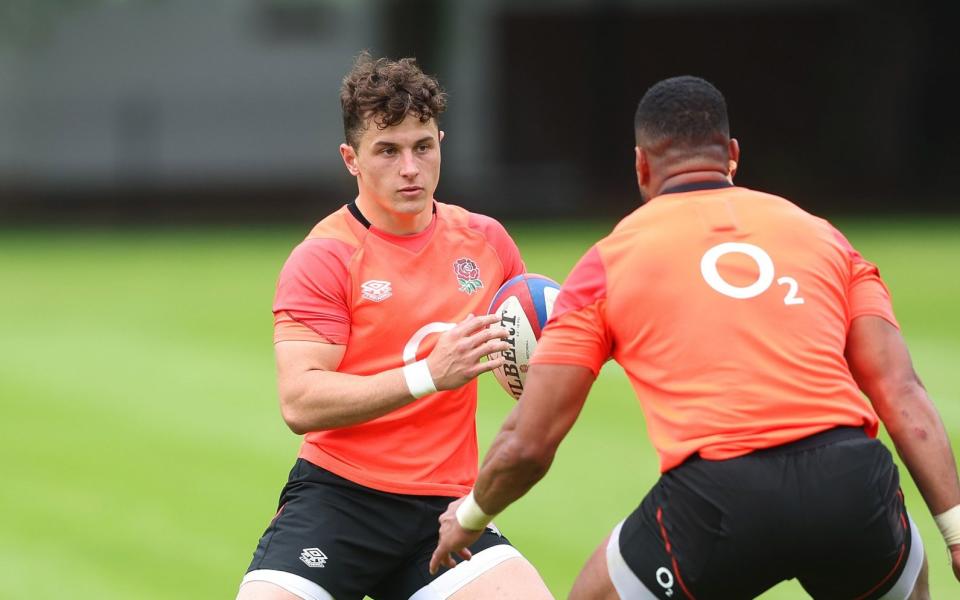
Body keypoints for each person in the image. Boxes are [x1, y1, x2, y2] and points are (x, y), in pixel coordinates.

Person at [430, 75, 960, 599]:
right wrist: (956, 534)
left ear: (641, 165)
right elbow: (901, 391)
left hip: (720, 499)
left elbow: (530, 441)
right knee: (909, 577)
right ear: (732, 154)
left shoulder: (607, 265)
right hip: (849, 483)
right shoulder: (825, 238)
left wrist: (471, 515)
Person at [237, 52, 552, 600]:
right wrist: (429, 374)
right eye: (388, 150)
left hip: (445, 508)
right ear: (350, 159)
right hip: (339, 501)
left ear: (440, 144)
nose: (410, 167)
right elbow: (300, 400)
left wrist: (545, 360)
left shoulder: (487, 242)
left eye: (422, 146)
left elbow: (518, 362)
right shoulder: (326, 256)